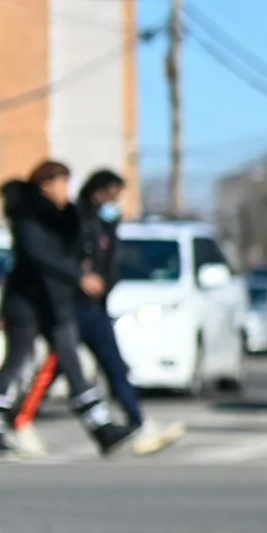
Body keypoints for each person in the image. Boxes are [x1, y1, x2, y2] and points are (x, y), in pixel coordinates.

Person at [0, 161, 140, 457]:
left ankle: (102, 428)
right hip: (26, 302)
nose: (67, 189)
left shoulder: (64, 216)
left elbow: (83, 248)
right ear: (46, 184)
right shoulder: (28, 215)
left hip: (56, 303)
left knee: (72, 363)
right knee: (15, 363)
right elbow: (40, 254)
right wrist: (79, 276)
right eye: (62, 182)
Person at [74, 169, 182, 455]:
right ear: (99, 191)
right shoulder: (77, 219)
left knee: (115, 367)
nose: (117, 201)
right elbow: (69, 259)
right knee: (57, 370)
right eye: (114, 195)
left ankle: (137, 422)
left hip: (96, 308)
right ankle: (12, 420)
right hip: (73, 308)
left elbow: (108, 262)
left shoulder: (104, 224)